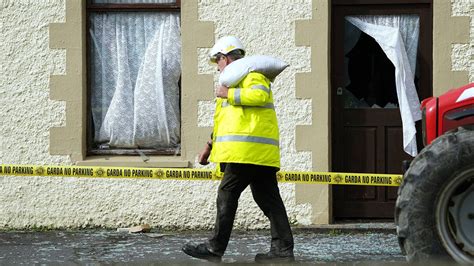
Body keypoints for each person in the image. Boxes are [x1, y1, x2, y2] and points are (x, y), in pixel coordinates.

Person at [182, 36, 294, 263]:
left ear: (225, 57)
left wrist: (229, 94)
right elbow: (226, 122)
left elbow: (260, 95)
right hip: (254, 154)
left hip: (246, 153)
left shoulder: (253, 76)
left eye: (218, 61)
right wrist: (209, 146)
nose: (218, 67)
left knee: (227, 194)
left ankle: (215, 248)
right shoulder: (234, 81)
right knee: (269, 200)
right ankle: (282, 251)